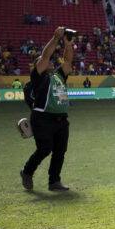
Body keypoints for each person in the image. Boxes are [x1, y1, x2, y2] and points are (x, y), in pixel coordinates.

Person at [20, 27, 73, 192]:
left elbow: (67, 62)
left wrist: (68, 44)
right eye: (45, 62)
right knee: (44, 149)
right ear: (38, 66)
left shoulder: (58, 76)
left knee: (59, 151)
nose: (50, 61)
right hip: (43, 118)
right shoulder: (38, 77)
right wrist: (55, 38)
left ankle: (54, 182)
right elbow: (45, 56)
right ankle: (27, 172)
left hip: (61, 119)